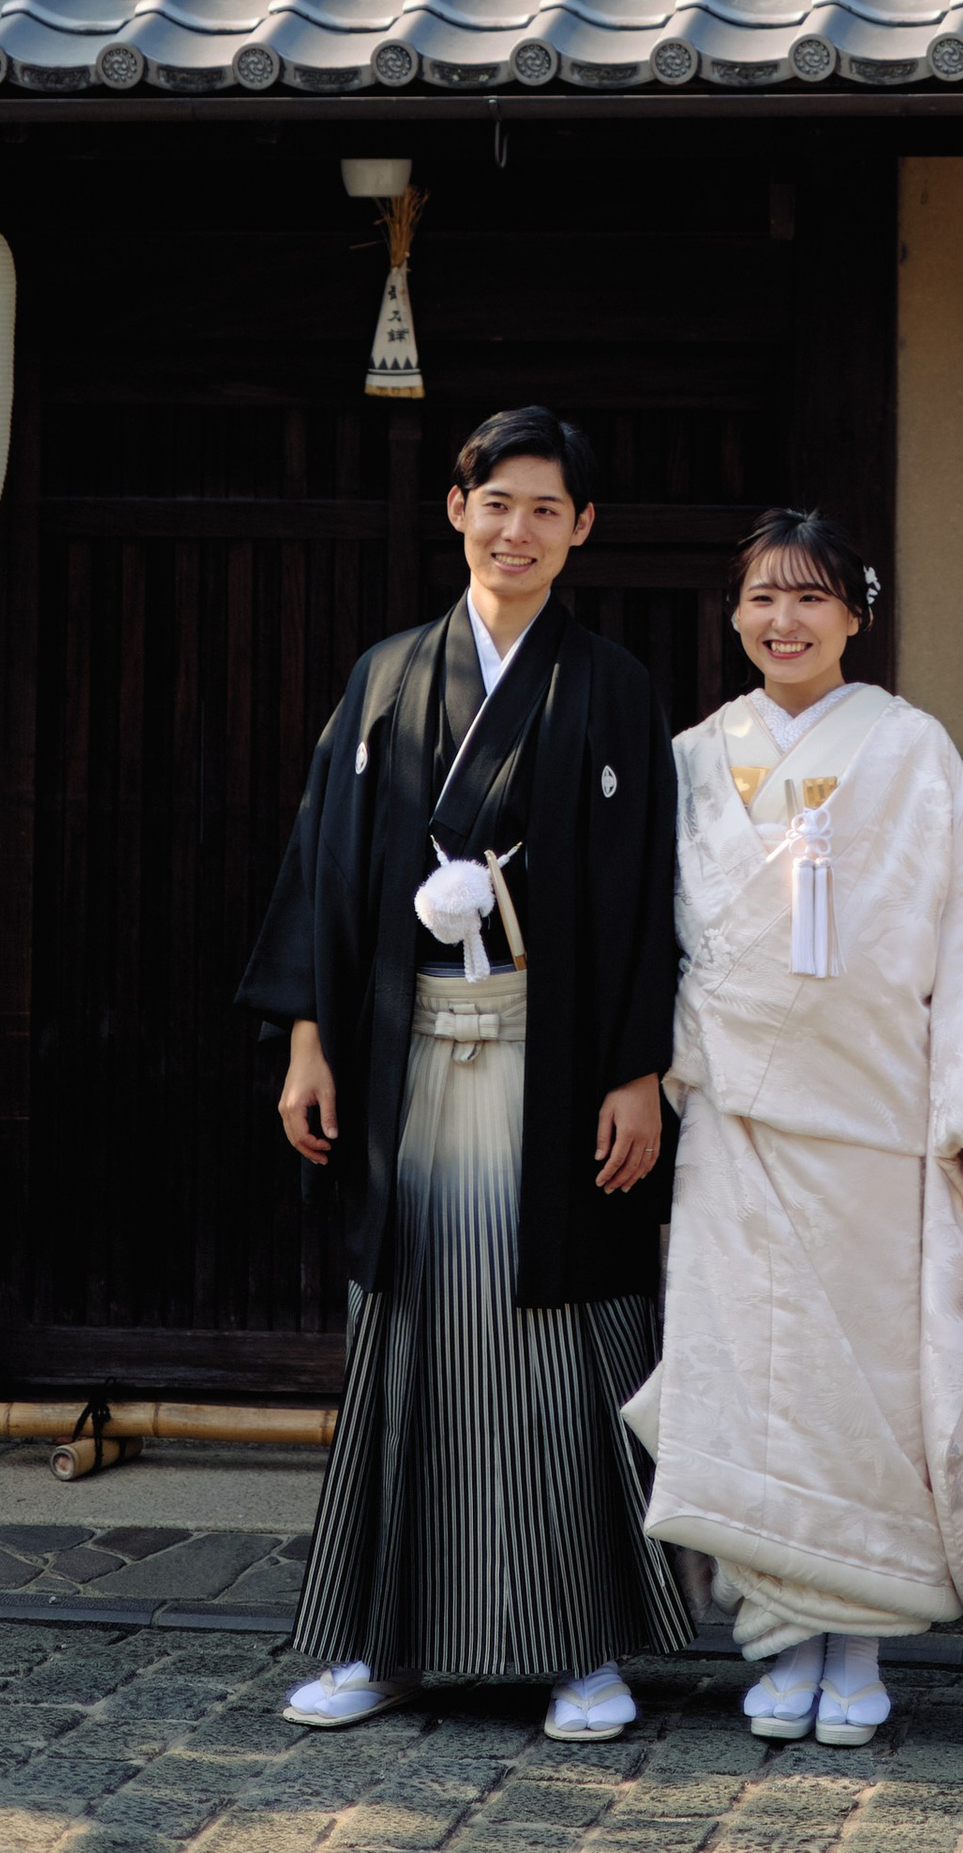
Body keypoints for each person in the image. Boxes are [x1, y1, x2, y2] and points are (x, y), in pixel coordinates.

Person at [237, 404, 693, 1736]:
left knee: (559, 1339)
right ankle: (383, 1643)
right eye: (498, 502)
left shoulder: (609, 686)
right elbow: (322, 866)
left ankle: (580, 1647)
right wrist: (310, 1038)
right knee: (413, 1333)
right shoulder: (386, 678)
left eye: (548, 509)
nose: (519, 529)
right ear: (457, 511)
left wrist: (636, 1071)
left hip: (557, 1071)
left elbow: (646, 890)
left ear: (583, 530)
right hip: (408, 1060)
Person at [624, 508, 963, 1750]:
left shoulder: (912, 749)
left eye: (810, 598)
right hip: (738, 1112)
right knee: (752, 1371)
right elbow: (656, 934)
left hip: (876, 1110)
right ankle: (775, 1634)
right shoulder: (698, 754)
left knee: (864, 1376)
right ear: (735, 615)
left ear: (856, 614)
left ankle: (855, 1645)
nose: (783, 621)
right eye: (761, 597)